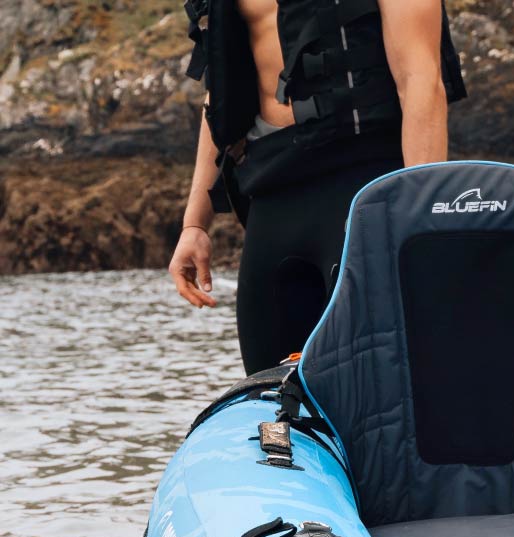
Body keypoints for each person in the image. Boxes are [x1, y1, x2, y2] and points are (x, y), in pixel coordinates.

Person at [168, 0, 466, 374]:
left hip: (367, 189)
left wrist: (419, 219)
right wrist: (195, 224)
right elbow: (221, 96)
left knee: (383, 388)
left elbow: (421, 78)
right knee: (272, 395)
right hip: (273, 199)